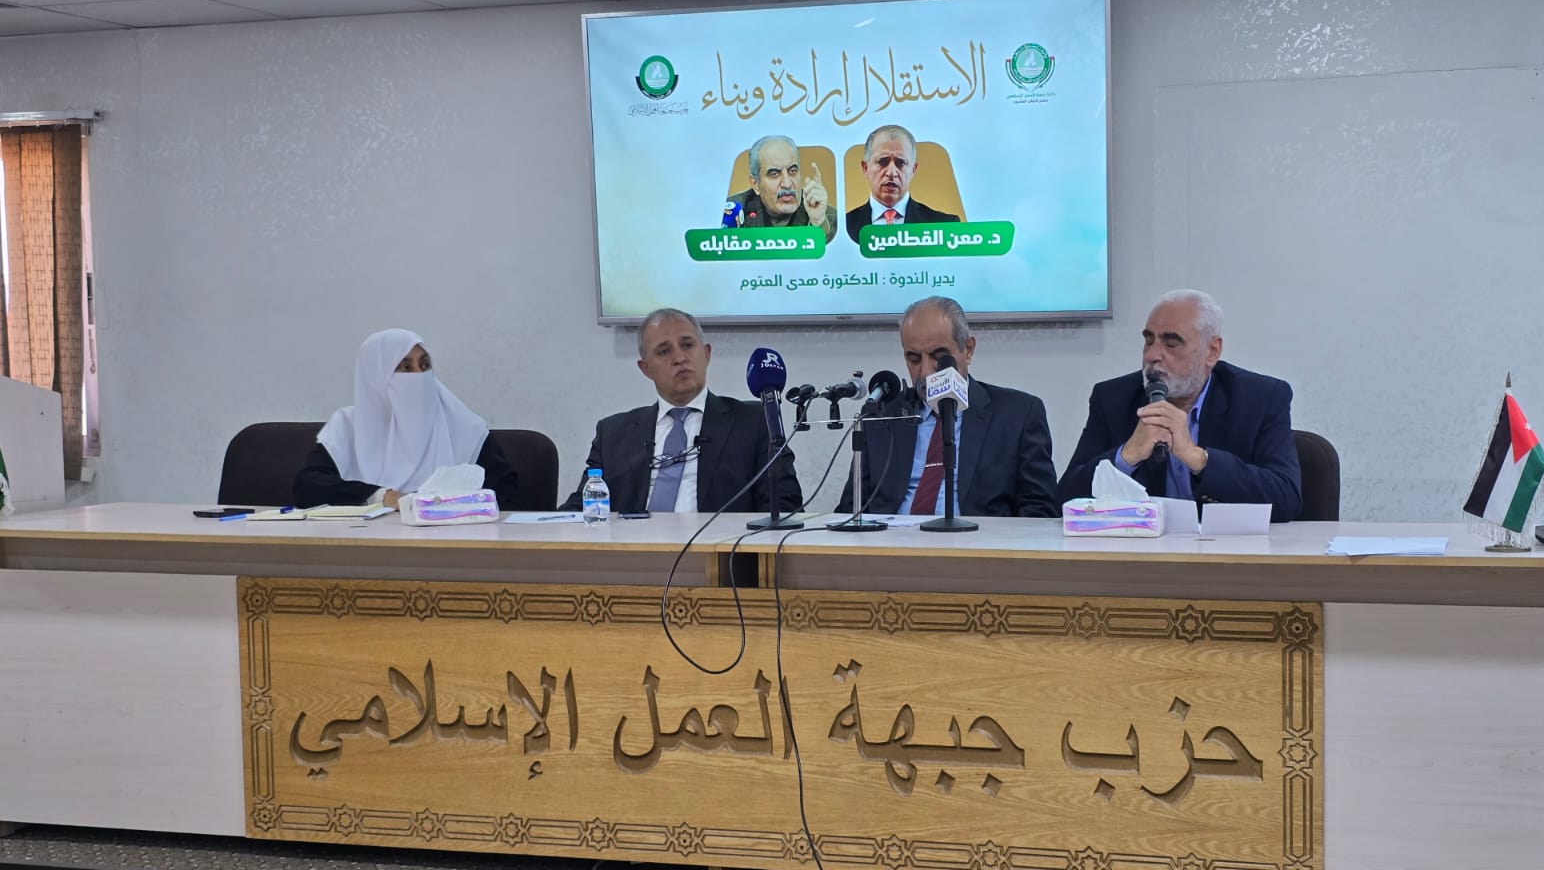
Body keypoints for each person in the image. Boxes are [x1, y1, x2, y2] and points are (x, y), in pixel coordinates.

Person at [1057, 289, 1301, 521]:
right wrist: (1126, 456)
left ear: (1212, 351)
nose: (1152, 355)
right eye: (1149, 341)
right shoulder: (1113, 399)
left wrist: (1197, 458)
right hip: (1140, 547)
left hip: (1224, 546)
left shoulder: (1261, 398)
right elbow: (1063, 501)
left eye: (1171, 343)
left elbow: (1286, 498)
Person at [563, 308, 803, 514]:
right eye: (664, 351)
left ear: (706, 354)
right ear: (646, 368)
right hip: (634, 549)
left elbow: (784, 506)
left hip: (718, 550)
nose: (679, 358)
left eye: (687, 345)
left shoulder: (754, 422)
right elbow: (583, 508)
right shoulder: (613, 433)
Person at [836, 296, 1057, 519]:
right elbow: (851, 509)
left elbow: (1040, 512)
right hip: (892, 537)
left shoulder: (1018, 414)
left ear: (968, 350)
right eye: (914, 359)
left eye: (939, 357)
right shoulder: (881, 416)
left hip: (977, 537)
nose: (925, 372)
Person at [293, 328, 520, 510]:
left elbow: (508, 498)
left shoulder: (463, 427)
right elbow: (308, 487)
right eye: (405, 367)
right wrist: (384, 497)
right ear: (375, 377)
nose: (419, 376)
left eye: (424, 365)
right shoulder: (348, 426)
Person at [844, 124, 960, 243]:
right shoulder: (843, 226)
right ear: (865, 168)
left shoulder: (944, 226)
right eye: (882, 162)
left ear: (913, 170)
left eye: (901, 163)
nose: (891, 173)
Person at [723, 135, 837, 243]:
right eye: (774, 174)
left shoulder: (825, 215)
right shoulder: (732, 212)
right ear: (756, 184)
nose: (787, 184)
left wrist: (818, 223)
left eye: (792, 171)